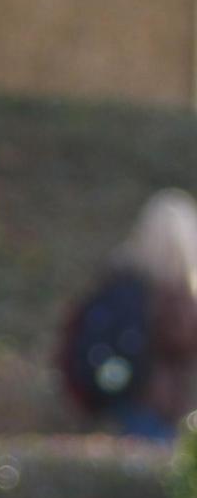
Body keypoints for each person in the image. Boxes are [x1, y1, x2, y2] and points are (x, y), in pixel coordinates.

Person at [60, 188, 197, 440]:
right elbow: (180, 340)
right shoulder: (157, 292)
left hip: (126, 402)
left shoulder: (121, 281)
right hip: (150, 405)